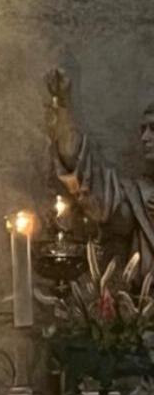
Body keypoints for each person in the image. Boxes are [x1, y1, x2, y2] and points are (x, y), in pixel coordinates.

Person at [45, 68, 154, 276]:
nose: (145, 138)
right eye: (143, 130)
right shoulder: (137, 196)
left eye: (153, 129)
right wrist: (63, 106)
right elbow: (86, 179)